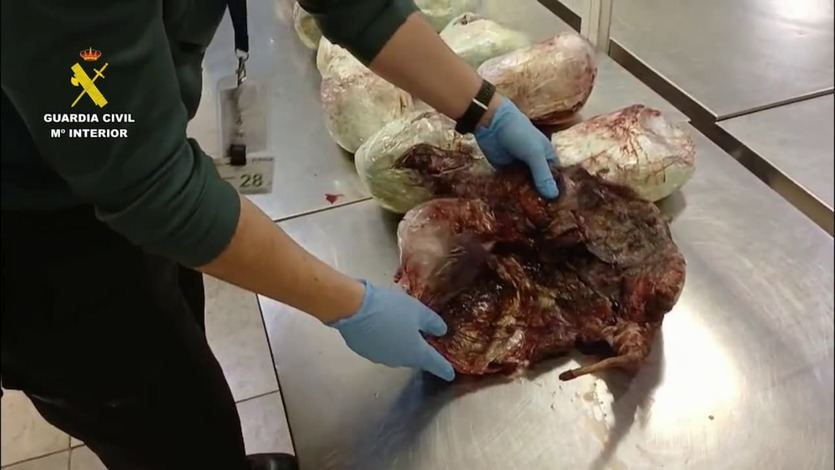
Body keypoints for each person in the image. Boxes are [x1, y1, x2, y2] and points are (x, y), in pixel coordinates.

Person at [1, 0, 558, 468]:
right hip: (35, 234)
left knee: (179, 361)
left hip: (114, 177)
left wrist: (485, 109)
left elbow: (356, 5)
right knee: (154, 421)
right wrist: (351, 305)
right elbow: (149, 187)